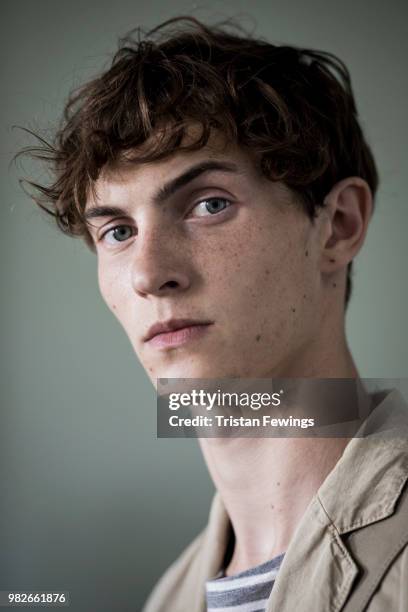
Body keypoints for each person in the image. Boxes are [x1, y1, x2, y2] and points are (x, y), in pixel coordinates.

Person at [18, 16, 408, 612]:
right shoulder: (168, 598)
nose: (149, 274)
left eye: (208, 204)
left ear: (339, 226)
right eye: (118, 231)